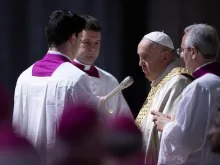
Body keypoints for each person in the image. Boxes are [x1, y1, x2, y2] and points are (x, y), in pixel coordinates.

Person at [12, 9, 104, 163]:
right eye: (81, 38)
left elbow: (16, 127)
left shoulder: (24, 76)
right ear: (73, 38)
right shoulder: (75, 78)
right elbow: (90, 131)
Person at [155, 24, 220, 165]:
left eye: (182, 50)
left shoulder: (200, 86)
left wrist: (166, 126)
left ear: (193, 52)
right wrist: (176, 123)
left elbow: (185, 141)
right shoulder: (215, 82)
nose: (182, 56)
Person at [135, 31, 193, 165]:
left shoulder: (178, 83)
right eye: (139, 57)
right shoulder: (161, 83)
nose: (140, 63)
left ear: (165, 57)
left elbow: (173, 137)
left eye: (145, 57)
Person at [72, 15, 132, 118]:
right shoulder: (62, 77)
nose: (93, 49)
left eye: (96, 43)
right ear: (74, 40)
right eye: (87, 43)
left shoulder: (110, 81)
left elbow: (124, 121)